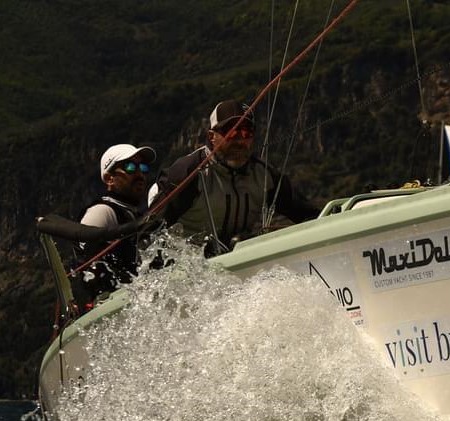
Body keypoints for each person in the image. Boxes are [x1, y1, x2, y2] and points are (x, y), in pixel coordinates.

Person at [153, 99, 316, 256]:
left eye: (247, 132)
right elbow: (151, 228)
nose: (240, 140)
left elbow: (308, 215)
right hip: (186, 264)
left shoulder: (265, 176)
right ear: (212, 136)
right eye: (232, 132)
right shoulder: (189, 172)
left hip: (238, 260)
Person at [73, 143, 156, 307]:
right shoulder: (102, 211)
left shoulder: (136, 214)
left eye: (143, 168)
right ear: (109, 178)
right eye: (130, 167)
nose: (140, 174)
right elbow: (85, 264)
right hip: (114, 306)